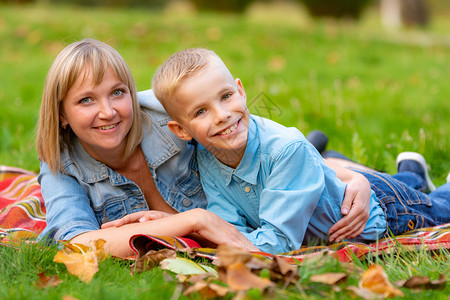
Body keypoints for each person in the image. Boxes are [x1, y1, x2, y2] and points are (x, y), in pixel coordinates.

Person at [36, 39, 371, 257]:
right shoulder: (60, 165)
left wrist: (352, 178)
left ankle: (345, 162)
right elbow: (76, 246)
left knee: (336, 168)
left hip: (277, 180)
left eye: (118, 92)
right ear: (62, 113)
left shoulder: (164, 110)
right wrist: (193, 220)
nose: (108, 111)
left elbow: (264, 140)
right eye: (85, 100)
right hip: (250, 207)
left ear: (130, 91)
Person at [148, 47, 450, 254]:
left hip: (383, 213)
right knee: (411, 189)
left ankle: (425, 183)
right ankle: (412, 174)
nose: (222, 115)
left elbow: (278, 242)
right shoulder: (206, 157)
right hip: (336, 192)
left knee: (440, 208)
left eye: (226, 96)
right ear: (181, 130)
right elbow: (230, 227)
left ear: (241, 90)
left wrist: (229, 240)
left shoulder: (285, 150)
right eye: (200, 112)